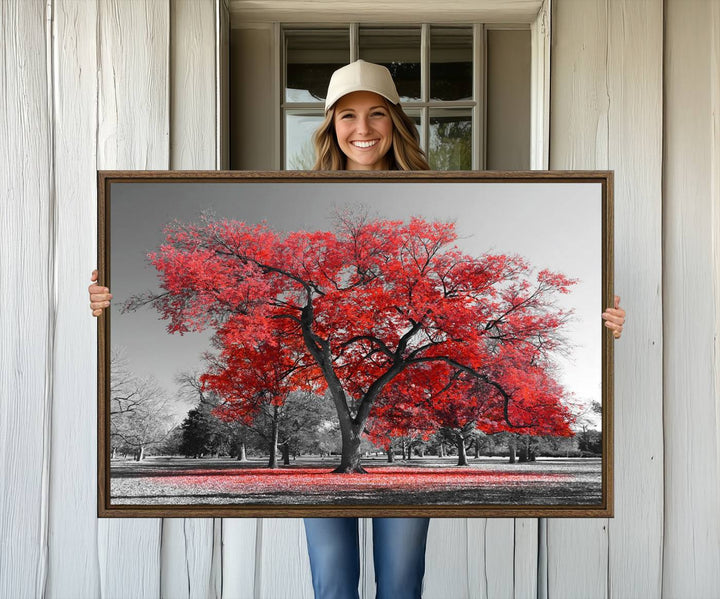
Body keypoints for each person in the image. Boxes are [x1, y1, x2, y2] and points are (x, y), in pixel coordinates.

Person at [88, 60, 626, 599]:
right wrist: (106, 300)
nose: (362, 129)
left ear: (395, 122)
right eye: (348, 115)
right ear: (330, 125)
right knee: (332, 582)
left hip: (385, 373)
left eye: (376, 115)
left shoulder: (442, 196)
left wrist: (601, 321)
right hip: (327, 385)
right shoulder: (296, 197)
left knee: (400, 582)